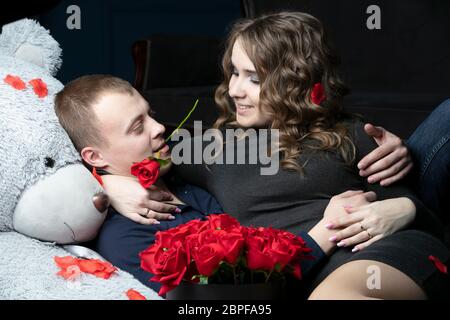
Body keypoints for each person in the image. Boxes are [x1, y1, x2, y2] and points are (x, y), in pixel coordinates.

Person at [102, 12, 449, 299]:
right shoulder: (214, 147)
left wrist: (406, 208)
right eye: (234, 73)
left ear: (293, 82)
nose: (234, 89)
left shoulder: (351, 133)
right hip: (299, 277)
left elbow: (413, 207)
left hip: (379, 257)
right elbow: (118, 148)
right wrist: (108, 183)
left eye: (253, 78)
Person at [54, 74, 367, 294]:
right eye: (137, 127)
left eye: (150, 114)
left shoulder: (185, 174)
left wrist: (371, 142)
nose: (159, 128)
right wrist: (328, 231)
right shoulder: (126, 237)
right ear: (94, 156)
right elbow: (235, 303)